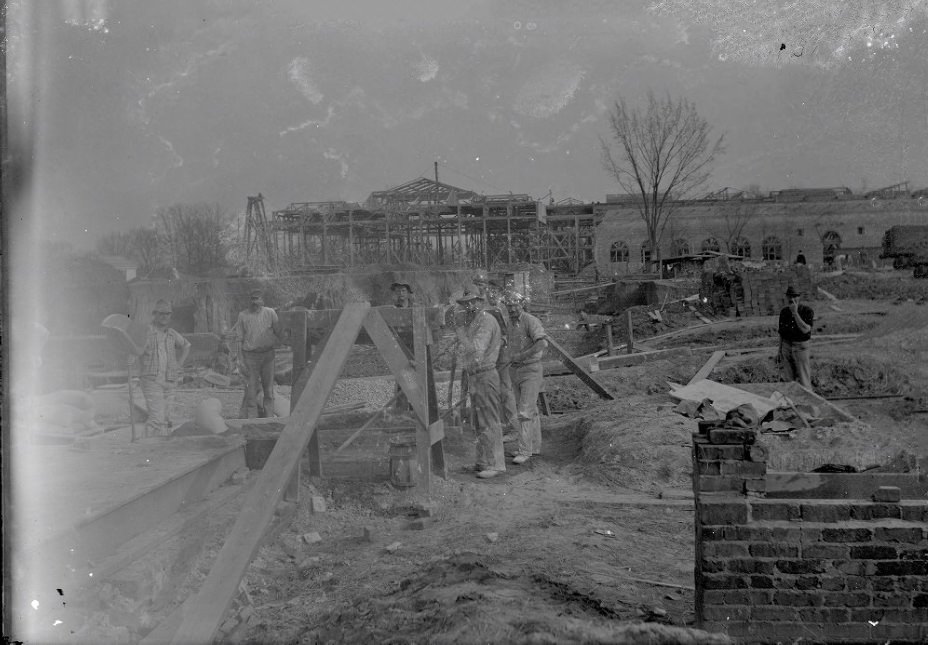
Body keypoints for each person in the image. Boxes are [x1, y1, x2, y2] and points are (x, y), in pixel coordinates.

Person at [456, 288, 506, 479]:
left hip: (485, 374)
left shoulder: (486, 321)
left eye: (472, 302)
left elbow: (477, 349)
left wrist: (461, 336)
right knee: (478, 422)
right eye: (465, 303)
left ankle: (495, 464)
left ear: (480, 301)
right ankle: (483, 461)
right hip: (476, 376)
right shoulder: (475, 321)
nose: (468, 306)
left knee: (489, 420)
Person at [473, 271, 520, 442]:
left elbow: (504, 335)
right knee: (494, 392)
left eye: (482, 285)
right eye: (477, 284)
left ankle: (514, 428)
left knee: (505, 390)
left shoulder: (495, 308)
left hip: (499, 356)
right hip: (491, 357)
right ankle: (499, 426)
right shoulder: (481, 306)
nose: (480, 288)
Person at [505, 292, 549, 465]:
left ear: (522, 305)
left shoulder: (530, 320)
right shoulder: (509, 323)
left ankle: (524, 451)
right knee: (531, 411)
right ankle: (533, 446)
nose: (512, 309)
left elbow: (542, 343)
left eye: (515, 305)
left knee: (524, 411)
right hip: (515, 371)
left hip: (530, 369)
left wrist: (523, 355)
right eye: (509, 306)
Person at [135, 300, 190, 436]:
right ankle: (149, 447)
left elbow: (187, 345)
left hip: (170, 379)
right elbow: (137, 349)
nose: (165, 317)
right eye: (161, 314)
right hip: (151, 378)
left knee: (166, 418)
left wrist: (179, 364)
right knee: (156, 418)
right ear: (154, 314)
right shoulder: (147, 331)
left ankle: (162, 446)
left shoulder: (171, 333)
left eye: (168, 314)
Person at [231, 289, 282, 418]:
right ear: (249, 301)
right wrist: (239, 359)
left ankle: (269, 418)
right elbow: (239, 338)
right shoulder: (243, 315)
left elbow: (278, 331)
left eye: (257, 299)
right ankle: (252, 420)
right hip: (250, 356)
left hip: (268, 356)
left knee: (269, 390)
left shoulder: (270, 313)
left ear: (262, 301)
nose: (254, 302)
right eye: (252, 299)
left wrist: (280, 342)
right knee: (251, 391)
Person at [778, 285, 814, 389]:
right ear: (787, 298)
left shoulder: (807, 311)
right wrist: (780, 350)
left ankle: (808, 403)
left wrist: (795, 313)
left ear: (799, 297)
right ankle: (793, 403)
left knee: (804, 380)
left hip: (801, 347)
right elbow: (781, 333)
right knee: (789, 382)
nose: (792, 299)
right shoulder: (784, 312)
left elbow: (805, 329)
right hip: (786, 346)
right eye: (790, 296)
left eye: (795, 296)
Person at [390, 282, 415, 416]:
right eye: (398, 291)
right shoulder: (393, 310)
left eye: (403, 291)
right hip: (400, 349)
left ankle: (415, 409)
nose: (400, 294)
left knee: (414, 379)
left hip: (414, 349)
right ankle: (402, 411)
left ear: (408, 293)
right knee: (402, 380)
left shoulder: (414, 309)